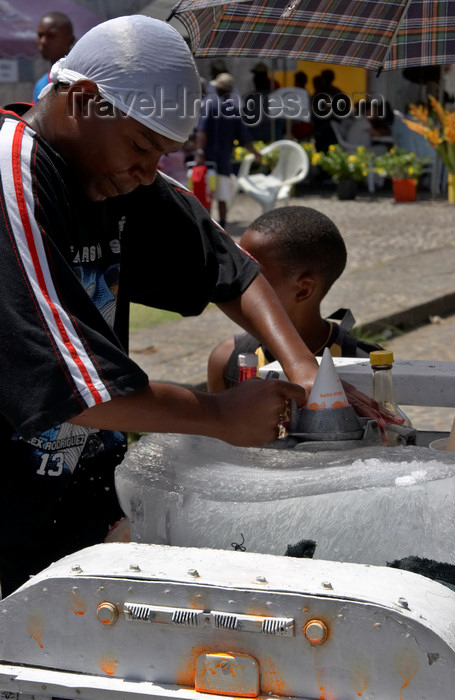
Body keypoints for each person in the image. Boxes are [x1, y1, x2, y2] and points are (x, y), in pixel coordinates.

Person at [0, 15, 328, 597]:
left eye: (163, 155)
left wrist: (304, 367)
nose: (147, 172)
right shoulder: (13, 170)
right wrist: (219, 416)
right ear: (83, 101)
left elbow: (229, 267)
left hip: (77, 497)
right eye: (142, 147)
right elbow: (71, 388)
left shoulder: (117, 175)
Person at [208, 206, 383, 391]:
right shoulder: (228, 359)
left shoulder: (367, 364)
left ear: (303, 290)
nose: (238, 281)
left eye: (253, 276)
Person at [196, 72, 261, 228]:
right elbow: (245, 139)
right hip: (224, 161)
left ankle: (208, 226)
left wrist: (199, 152)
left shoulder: (210, 105)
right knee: (222, 197)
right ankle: (222, 226)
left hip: (208, 160)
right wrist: (257, 154)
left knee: (207, 195)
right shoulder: (233, 110)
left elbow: (202, 132)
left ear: (217, 89)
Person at [33, 11, 75, 102]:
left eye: (51, 36)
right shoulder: (41, 85)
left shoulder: (81, 80)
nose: (43, 41)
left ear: (70, 40)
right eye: (40, 35)